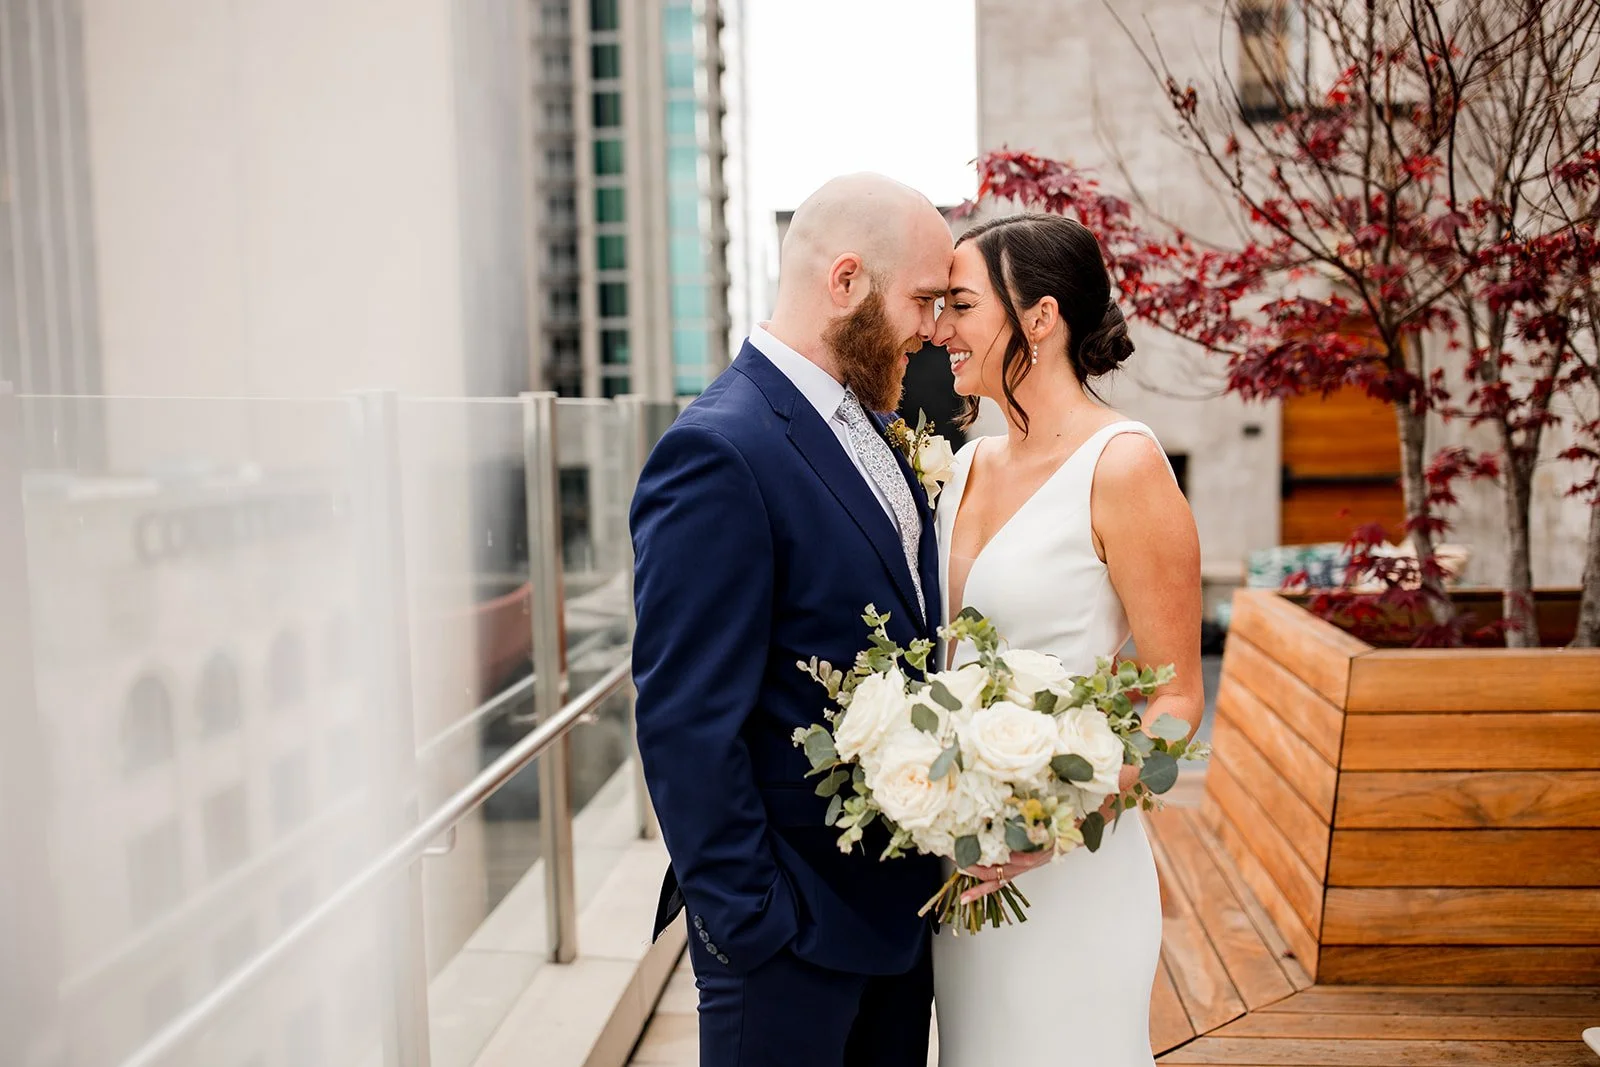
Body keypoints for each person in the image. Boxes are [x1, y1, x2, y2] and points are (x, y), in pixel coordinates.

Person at [630, 173, 953, 1067]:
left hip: (894, 923)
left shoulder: (879, 427)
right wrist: (755, 926)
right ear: (845, 281)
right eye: (921, 299)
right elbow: (686, 723)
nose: (931, 327)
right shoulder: (718, 450)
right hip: (789, 946)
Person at [930, 213, 1204, 1065]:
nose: (939, 329)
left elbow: (1177, 701)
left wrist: (1058, 823)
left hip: (1072, 869)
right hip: (961, 865)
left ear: (1038, 319)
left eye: (962, 305)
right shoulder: (966, 463)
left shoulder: (1122, 465)